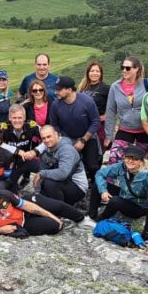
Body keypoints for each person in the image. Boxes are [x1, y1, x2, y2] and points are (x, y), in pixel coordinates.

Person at [48, 76, 102, 213]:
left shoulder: (86, 101)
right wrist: (65, 141)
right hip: (67, 139)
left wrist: (83, 140)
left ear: (69, 90)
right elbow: (54, 125)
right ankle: (69, 197)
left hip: (88, 137)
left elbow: (95, 122)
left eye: (59, 90)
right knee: (67, 167)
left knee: (92, 166)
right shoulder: (56, 104)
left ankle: (97, 194)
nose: (56, 93)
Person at [0, 178, 86, 237]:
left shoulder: (3, 194)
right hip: (23, 223)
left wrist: (51, 215)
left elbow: (26, 205)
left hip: (25, 207)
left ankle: (83, 219)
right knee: (55, 226)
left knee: (58, 206)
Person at [104, 56, 148, 166]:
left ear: (137, 69)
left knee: (142, 164)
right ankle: (114, 183)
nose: (124, 70)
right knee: (114, 160)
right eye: (123, 67)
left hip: (145, 131)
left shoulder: (147, 84)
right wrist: (109, 135)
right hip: (125, 130)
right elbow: (111, 112)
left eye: (128, 68)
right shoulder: (115, 87)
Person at [94, 145, 148, 221]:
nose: (130, 161)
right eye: (128, 158)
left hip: (138, 207)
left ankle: (100, 219)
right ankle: (91, 215)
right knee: (97, 185)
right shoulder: (121, 166)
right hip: (124, 195)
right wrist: (103, 191)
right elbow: (100, 174)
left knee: (115, 200)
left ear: (141, 162)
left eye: (135, 159)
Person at [34, 125, 88, 211]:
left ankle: (62, 211)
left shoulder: (66, 149)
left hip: (77, 187)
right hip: (63, 182)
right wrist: (37, 193)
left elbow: (63, 173)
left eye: (49, 136)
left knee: (49, 183)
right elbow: (43, 170)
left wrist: (41, 174)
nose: (46, 140)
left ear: (56, 134)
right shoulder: (47, 150)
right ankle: (51, 208)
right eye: (43, 138)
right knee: (41, 193)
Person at [0, 104, 42, 190]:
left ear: (24, 118)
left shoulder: (31, 125)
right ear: (10, 118)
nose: (17, 121)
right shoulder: (3, 127)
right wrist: (16, 151)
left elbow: (48, 137)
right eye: (14, 118)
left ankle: (27, 178)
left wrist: (35, 151)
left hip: (26, 158)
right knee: (10, 188)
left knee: (46, 169)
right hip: (10, 162)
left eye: (20, 118)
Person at [79, 60, 111, 151]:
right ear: (88, 73)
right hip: (84, 124)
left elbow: (115, 105)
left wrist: (106, 115)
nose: (94, 73)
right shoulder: (82, 87)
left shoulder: (106, 88)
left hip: (99, 126)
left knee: (98, 150)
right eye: (92, 71)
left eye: (97, 71)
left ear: (101, 74)